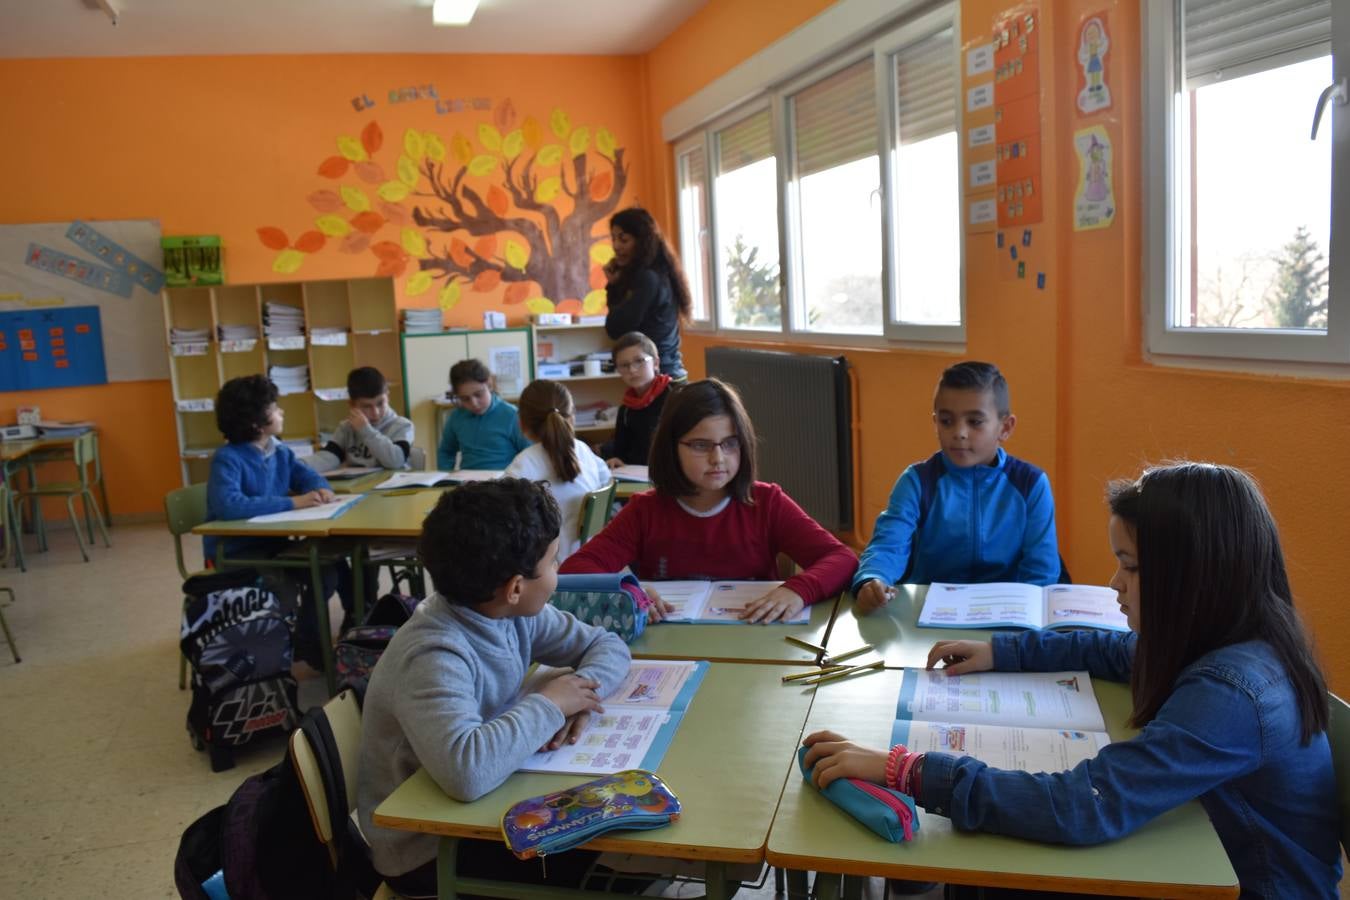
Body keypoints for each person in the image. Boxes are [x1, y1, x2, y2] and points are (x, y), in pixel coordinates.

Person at [803, 462, 1342, 898]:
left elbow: (1083, 804)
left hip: (1248, 885)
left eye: (1130, 567)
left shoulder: (1233, 692)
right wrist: (1002, 651)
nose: (1115, 585)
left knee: (995, 878)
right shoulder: (1231, 633)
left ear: (1191, 575)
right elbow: (1109, 649)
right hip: (1213, 847)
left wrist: (905, 767)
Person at [356, 478, 632, 898]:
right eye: (555, 562)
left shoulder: (509, 610)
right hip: (429, 850)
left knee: (618, 839)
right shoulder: (434, 653)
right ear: (516, 587)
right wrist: (551, 704)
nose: (559, 573)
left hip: (490, 806)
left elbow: (604, 643)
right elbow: (466, 772)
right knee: (614, 847)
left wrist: (578, 695)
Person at [561, 378, 857, 624]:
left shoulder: (766, 502)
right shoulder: (645, 511)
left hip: (755, 640)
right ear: (671, 447)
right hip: (673, 647)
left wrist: (798, 590)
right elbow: (573, 571)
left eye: (730, 444)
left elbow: (842, 558)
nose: (718, 459)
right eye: (701, 445)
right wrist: (630, 590)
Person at [852, 361, 1061, 616]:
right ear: (935, 422)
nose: (959, 432)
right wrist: (873, 578)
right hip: (927, 613)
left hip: (1006, 615)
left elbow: (1041, 573)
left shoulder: (1031, 484)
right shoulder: (917, 482)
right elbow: (888, 546)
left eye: (974, 422)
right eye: (947, 421)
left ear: (1004, 428)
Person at [204, 374, 351, 665]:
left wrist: (320, 488)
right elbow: (229, 506)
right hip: (237, 554)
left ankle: (307, 640)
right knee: (281, 587)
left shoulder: (278, 450)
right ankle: (293, 644)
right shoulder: (228, 458)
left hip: (273, 546)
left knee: (327, 570)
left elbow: (306, 474)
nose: (281, 411)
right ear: (256, 422)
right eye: (274, 407)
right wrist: (292, 502)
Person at [505, 379, 612, 559]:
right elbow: (607, 481)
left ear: (521, 423)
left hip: (549, 570)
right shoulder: (583, 450)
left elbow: (503, 516)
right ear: (572, 416)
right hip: (592, 558)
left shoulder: (524, 463)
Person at [603, 207, 689, 382]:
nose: (616, 246)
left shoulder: (647, 278)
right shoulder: (657, 272)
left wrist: (613, 287)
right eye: (613, 239)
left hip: (660, 377)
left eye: (623, 239)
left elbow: (616, 329)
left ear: (641, 241)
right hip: (666, 371)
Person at [307, 366, 413, 472]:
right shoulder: (346, 428)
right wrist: (297, 465)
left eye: (380, 403)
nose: (375, 412)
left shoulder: (402, 425)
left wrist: (366, 431)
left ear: (388, 396)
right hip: (358, 486)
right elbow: (328, 458)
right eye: (366, 406)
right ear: (352, 405)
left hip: (392, 486)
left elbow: (396, 461)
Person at [436, 358, 529, 471]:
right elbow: (446, 452)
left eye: (479, 395)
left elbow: (528, 454)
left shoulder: (512, 415)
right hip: (468, 483)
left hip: (504, 483)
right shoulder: (456, 417)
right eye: (465, 399)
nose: (474, 403)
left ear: (489, 385)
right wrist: (446, 475)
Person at [599, 331, 674, 468]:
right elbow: (619, 453)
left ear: (656, 363)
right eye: (624, 365)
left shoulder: (675, 397)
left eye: (639, 361)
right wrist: (615, 460)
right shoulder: (626, 409)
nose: (632, 370)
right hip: (638, 476)